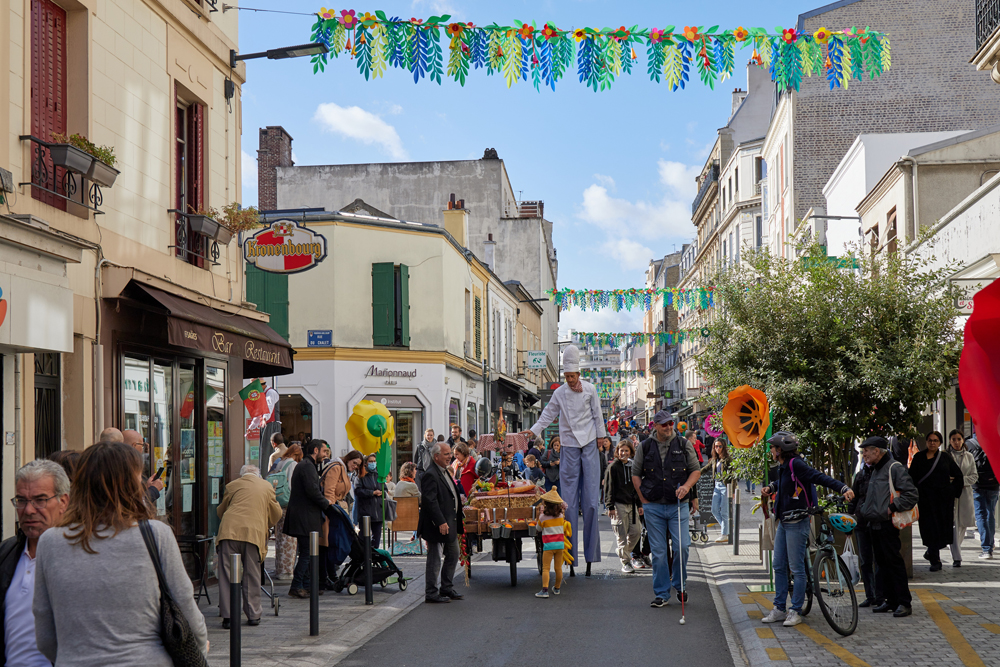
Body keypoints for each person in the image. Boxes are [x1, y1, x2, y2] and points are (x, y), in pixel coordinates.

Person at [33, 441, 208, 665]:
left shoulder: (50, 541)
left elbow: (45, 631)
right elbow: (185, 607)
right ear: (131, 484)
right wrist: (199, 651)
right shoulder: (156, 535)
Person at [520, 345, 608, 569]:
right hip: (568, 445)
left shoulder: (590, 389)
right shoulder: (559, 393)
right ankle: (569, 553)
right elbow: (548, 413)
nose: (569, 380)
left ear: (578, 374)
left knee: (590, 502)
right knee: (567, 503)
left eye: (572, 376)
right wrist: (534, 430)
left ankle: (590, 555)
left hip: (588, 443)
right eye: (566, 376)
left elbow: (598, 414)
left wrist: (601, 437)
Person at [759, 431, 853, 627]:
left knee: (796, 568)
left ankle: (795, 610)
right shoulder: (785, 466)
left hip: (797, 522)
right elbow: (785, 484)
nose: (772, 452)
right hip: (784, 522)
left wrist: (843, 488)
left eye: (774, 448)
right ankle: (779, 608)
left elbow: (818, 477)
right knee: (778, 565)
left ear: (781, 449)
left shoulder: (796, 464)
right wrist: (772, 487)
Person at [0, 460, 70, 665]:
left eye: (40, 500)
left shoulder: (80, 557)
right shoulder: (6, 553)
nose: (29, 510)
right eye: (21, 500)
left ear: (63, 502)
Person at [632, 411, 701, 607]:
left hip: (677, 505)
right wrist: (643, 499)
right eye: (664, 424)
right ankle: (662, 593)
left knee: (682, 547)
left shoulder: (683, 444)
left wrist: (687, 487)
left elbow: (695, 470)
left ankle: (680, 585)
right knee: (660, 552)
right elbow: (636, 474)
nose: (669, 427)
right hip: (653, 506)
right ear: (655, 426)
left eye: (671, 423)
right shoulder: (645, 447)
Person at [854, 436, 918, 617]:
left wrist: (891, 508)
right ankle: (891, 601)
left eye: (866, 450)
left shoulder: (894, 468)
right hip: (872, 523)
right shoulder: (874, 470)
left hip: (887, 524)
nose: (864, 454)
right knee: (882, 564)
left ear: (877, 451)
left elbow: (911, 495)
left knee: (894, 563)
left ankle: (904, 603)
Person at [216, 464, 282, 628]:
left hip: (229, 531)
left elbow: (221, 511)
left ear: (242, 475)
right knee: (252, 573)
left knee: (227, 574)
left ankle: (228, 616)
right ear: (257, 475)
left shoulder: (232, 485)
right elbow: (277, 513)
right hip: (253, 533)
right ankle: (253, 615)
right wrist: (265, 523)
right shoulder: (266, 486)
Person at [909, 430, 963, 571]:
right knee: (928, 529)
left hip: (942, 501)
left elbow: (958, 475)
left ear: (940, 443)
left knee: (940, 529)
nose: (932, 443)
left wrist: (951, 491)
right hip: (925, 500)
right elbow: (911, 477)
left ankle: (932, 553)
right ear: (926, 442)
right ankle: (934, 558)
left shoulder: (945, 458)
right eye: (930, 440)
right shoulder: (919, 457)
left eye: (935, 441)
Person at [283, 441, 331, 598]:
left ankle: (308, 585)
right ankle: (297, 585)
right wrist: (327, 504)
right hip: (305, 517)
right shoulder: (307, 466)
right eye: (324, 451)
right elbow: (312, 491)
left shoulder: (307, 465)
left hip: (305, 516)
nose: (326, 455)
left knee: (308, 552)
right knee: (307, 552)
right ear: (316, 450)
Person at [418, 442, 464, 603]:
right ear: (436, 456)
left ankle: (446, 587)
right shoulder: (431, 474)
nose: (450, 456)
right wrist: (440, 522)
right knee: (435, 559)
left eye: (450, 453)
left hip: (449, 523)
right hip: (436, 525)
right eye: (446, 454)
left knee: (453, 554)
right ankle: (431, 593)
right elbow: (430, 501)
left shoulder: (443, 471)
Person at [319, 448, 362, 586]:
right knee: (327, 545)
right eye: (354, 463)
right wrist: (332, 509)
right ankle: (326, 578)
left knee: (330, 544)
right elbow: (329, 491)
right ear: (348, 458)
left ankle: (330, 577)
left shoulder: (344, 469)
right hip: (328, 512)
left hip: (333, 510)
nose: (355, 466)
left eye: (358, 465)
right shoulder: (337, 467)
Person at [849, 444, 883, 609]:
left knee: (879, 560)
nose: (864, 455)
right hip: (861, 523)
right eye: (862, 453)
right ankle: (870, 595)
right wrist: (849, 519)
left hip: (877, 523)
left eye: (866, 452)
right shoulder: (861, 474)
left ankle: (880, 595)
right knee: (865, 561)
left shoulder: (882, 473)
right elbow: (854, 498)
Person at [605, 441, 641, 573]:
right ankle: (625, 562)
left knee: (637, 531)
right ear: (617, 452)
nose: (624, 453)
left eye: (626, 451)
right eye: (621, 451)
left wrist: (640, 504)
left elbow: (637, 487)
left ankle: (623, 552)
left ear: (631, 452)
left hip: (632, 504)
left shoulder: (633, 466)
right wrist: (610, 506)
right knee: (621, 534)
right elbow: (609, 488)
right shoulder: (613, 467)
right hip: (619, 505)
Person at [272, 443, 303, 580]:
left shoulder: (280, 462)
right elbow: (292, 485)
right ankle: (286, 571)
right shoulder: (292, 465)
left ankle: (279, 568)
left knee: (280, 537)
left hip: (278, 503)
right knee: (289, 539)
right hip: (288, 503)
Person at [947, 430, 977, 567]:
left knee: (963, 525)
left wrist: (959, 481)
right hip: (950, 495)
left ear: (963, 440)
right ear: (950, 441)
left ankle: (955, 549)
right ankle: (957, 556)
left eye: (959, 439)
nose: (956, 442)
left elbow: (974, 476)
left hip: (965, 494)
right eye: (953, 439)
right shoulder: (945, 456)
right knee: (954, 524)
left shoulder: (969, 456)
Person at [967, 436, 999, 558]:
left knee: (981, 516)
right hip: (994, 484)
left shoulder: (969, 444)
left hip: (977, 484)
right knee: (990, 514)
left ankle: (986, 549)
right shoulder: (995, 440)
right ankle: (989, 545)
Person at [535, 488, 569, 599]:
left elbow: (538, 528)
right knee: (558, 568)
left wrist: (540, 514)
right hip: (560, 545)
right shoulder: (560, 516)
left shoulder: (543, 517)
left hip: (548, 546)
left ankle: (545, 590)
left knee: (546, 568)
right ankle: (557, 588)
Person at [701, 439, 732, 543]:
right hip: (717, 486)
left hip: (725, 486)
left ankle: (724, 534)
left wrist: (733, 490)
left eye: (719, 446)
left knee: (724, 512)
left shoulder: (728, 459)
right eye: (716, 446)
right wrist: (695, 474)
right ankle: (726, 528)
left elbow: (733, 476)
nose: (717, 448)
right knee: (714, 510)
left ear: (723, 447)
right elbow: (706, 468)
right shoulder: (715, 459)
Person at [355, 454, 386, 550]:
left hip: (378, 512)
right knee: (363, 539)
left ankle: (374, 557)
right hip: (366, 512)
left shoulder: (379, 475)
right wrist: (372, 493)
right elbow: (358, 491)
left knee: (376, 540)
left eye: (374, 461)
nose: (373, 463)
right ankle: (363, 558)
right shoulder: (361, 476)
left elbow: (385, 489)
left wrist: (382, 492)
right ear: (365, 463)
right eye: (370, 461)